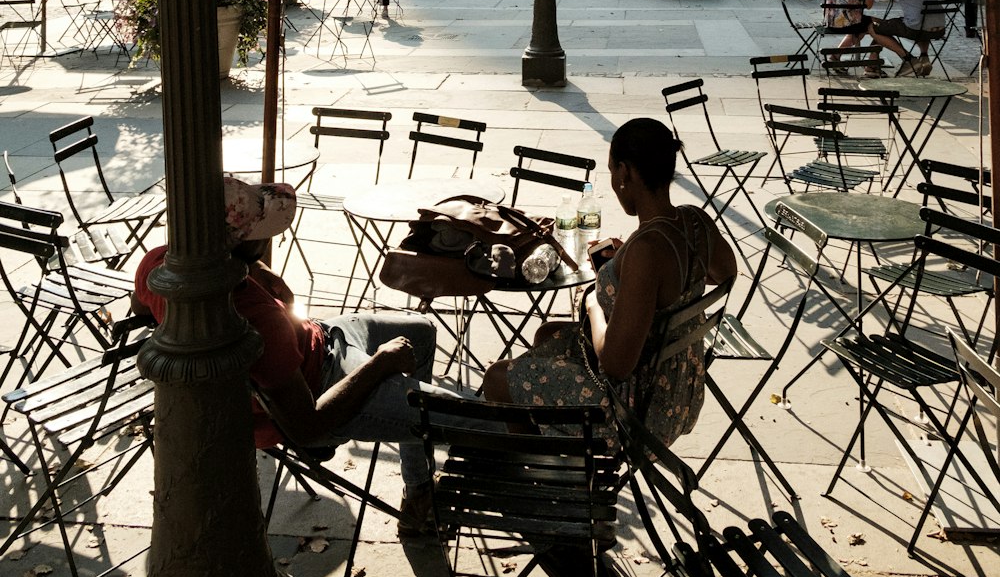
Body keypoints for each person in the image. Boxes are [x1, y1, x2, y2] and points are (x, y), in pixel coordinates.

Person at [132, 178, 440, 535]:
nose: (269, 241)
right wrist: (381, 363)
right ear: (245, 244)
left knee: (422, 331)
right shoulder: (256, 321)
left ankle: (417, 489)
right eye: (263, 235)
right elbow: (307, 427)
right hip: (327, 382)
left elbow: (140, 308)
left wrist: (256, 271)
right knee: (479, 421)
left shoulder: (159, 264)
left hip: (323, 336)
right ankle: (426, 481)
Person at [482, 118, 736, 452]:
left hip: (636, 412)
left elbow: (616, 364)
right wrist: (630, 275)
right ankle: (556, 456)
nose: (614, 182)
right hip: (679, 387)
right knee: (547, 335)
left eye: (612, 171)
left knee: (497, 378)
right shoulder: (695, 221)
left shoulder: (646, 248)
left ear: (626, 172)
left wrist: (593, 303)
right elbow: (724, 274)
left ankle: (538, 474)